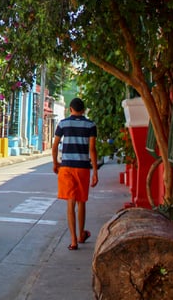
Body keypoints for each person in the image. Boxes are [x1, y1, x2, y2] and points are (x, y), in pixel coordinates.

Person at [52, 97, 98, 250]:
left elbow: (55, 146)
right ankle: (81, 235)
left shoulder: (63, 123)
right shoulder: (90, 125)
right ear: (83, 110)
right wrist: (95, 171)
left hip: (66, 168)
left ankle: (73, 241)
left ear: (70, 109)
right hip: (83, 168)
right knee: (81, 201)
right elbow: (92, 150)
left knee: (70, 203)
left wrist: (55, 163)